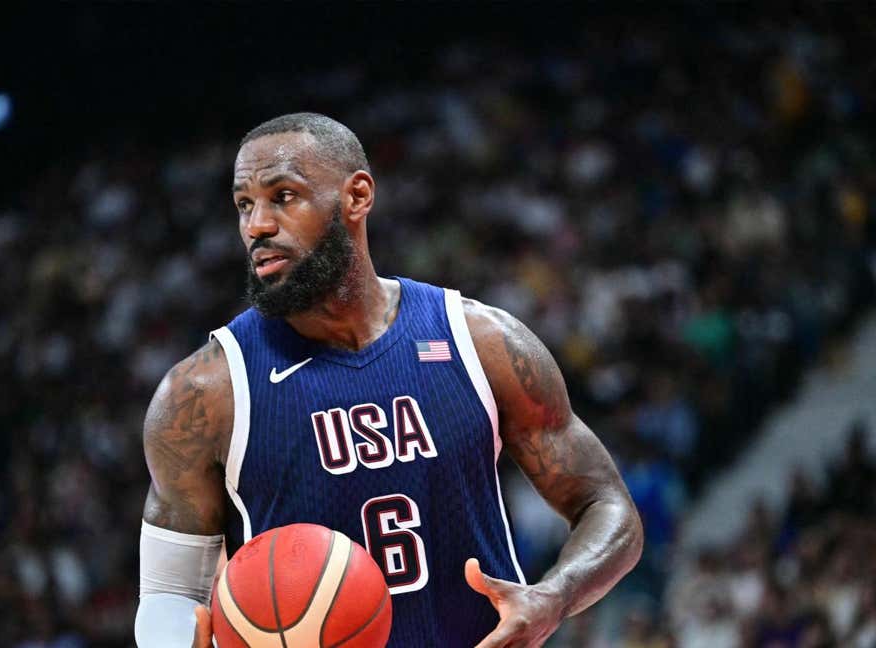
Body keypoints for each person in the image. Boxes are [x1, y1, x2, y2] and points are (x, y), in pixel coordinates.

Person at [134, 112, 643, 647]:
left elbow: (609, 509)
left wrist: (553, 597)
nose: (257, 224)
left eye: (283, 196)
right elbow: (169, 590)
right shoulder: (203, 393)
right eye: (244, 204)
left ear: (356, 197)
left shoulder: (480, 342)